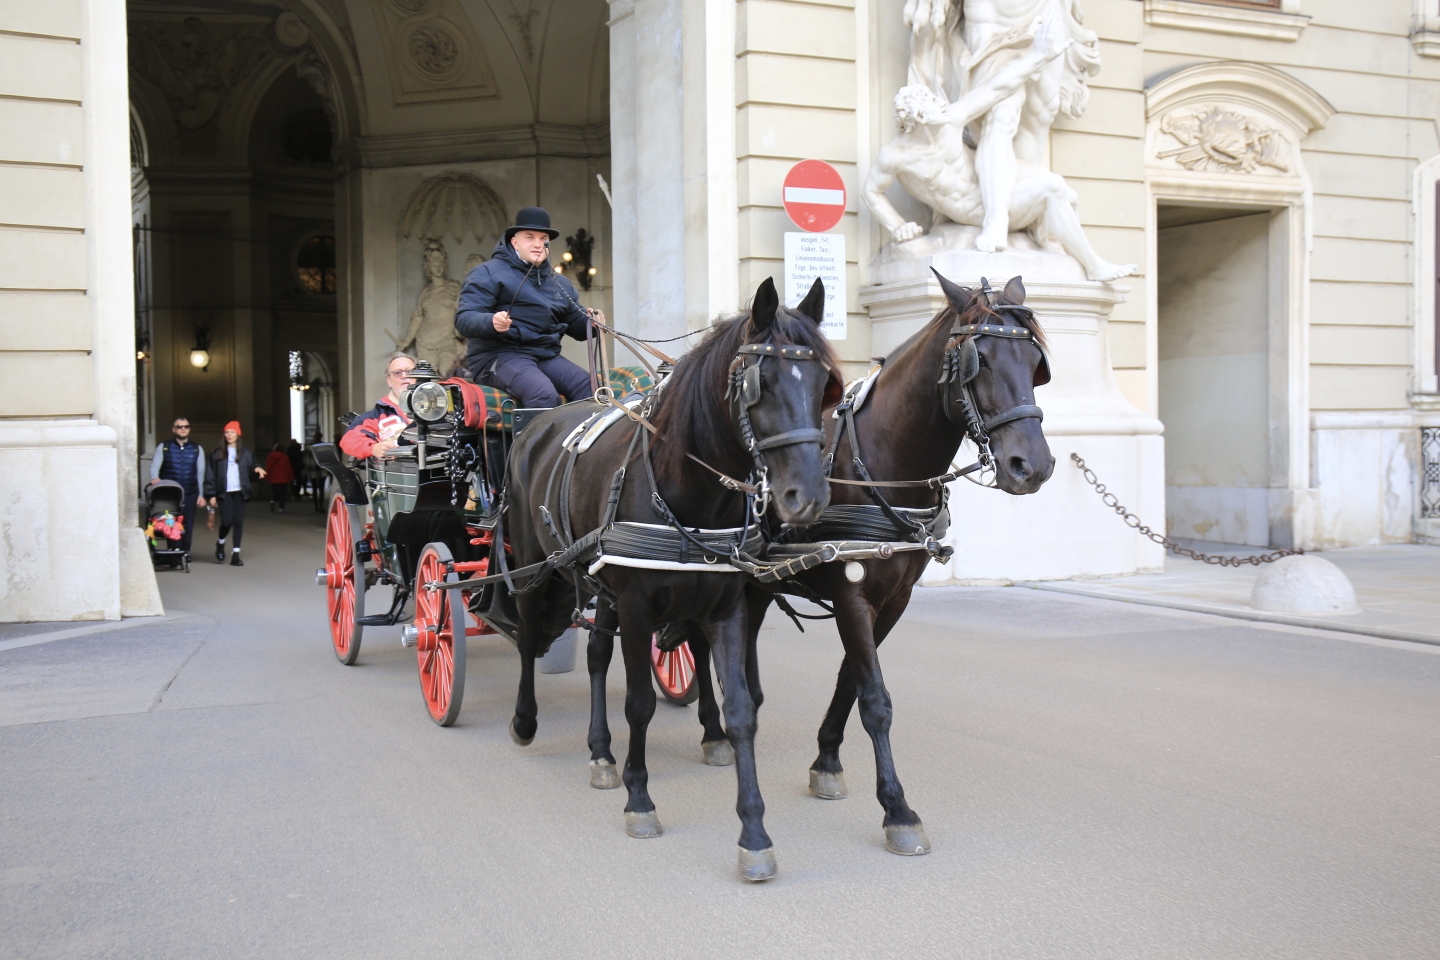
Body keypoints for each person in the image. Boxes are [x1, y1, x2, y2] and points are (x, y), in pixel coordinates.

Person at [860, 17, 1134, 282]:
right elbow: (871, 191)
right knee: (1054, 189)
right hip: (970, 216)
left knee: (1059, 189)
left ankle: (1094, 266)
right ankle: (1091, 264)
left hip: (998, 201)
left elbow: (996, 87)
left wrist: (1039, 57)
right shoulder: (897, 156)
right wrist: (897, 225)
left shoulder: (950, 122)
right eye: (934, 105)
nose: (943, 106)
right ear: (917, 118)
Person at [455, 206, 604, 408]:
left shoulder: (559, 282)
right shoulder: (486, 273)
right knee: (543, 395)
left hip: (545, 355)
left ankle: (578, 440)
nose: (538, 244)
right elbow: (464, 319)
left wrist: (591, 323)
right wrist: (490, 321)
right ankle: (527, 441)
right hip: (498, 356)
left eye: (543, 239)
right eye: (530, 237)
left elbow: (575, 325)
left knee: (591, 389)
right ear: (514, 242)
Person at [204, 421, 265, 566]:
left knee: (238, 522)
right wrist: (211, 494)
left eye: (232, 432)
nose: (229, 435)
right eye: (227, 432)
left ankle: (235, 555)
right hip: (224, 492)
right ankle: (220, 543)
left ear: (238, 434)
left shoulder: (246, 453)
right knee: (227, 521)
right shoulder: (217, 453)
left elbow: (253, 465)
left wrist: (257, 469)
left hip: (240, 491)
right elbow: (210, 475)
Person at [340, 352, 416, 459]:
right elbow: (349, 440)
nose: (404, 376)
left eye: (410, 371)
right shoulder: (376, 415)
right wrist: (373, 448)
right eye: (397, 372)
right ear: (389, 380)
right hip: (397, 473)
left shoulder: (438, 409)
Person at [149, 417, 206, 554]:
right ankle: (174, 550)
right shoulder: (164, 447)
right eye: (179, 427)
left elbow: (200, 473)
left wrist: (201, 494)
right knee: (170, 522)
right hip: (170, 494)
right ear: (174, 429)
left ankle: (185, 552)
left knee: (188, 524)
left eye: (186, 426)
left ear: (189, 429)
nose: (183, 429)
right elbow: (155, 466)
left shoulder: (196, 449)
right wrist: (155, 477)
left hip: (190, 492)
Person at [265, 442, 296, 512]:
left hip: (273, 477)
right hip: (283, 478)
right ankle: (281, 507)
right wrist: (291, 478)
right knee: (283, 493)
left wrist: (267, 477)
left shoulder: (270, 457)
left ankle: (272, 501)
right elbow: (288, 469)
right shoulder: (285, 457)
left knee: (274, 491)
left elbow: (268, 468)